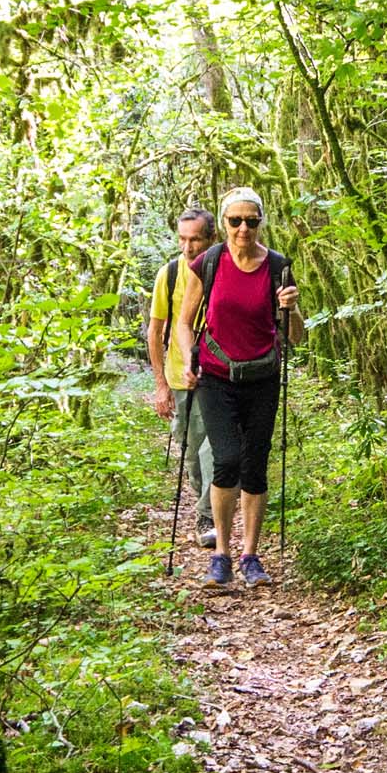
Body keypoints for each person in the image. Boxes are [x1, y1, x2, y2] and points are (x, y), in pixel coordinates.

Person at [174, 186, 305, 588]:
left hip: (262, 377)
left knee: (255, 465)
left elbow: (297, 337)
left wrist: (292, 308)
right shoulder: (208, 263)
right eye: (235, 220)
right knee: (227, 458)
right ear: (225, 222)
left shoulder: (278, 266)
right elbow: (184, 321)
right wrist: (187, 358)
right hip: (216, 376)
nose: (243, 228)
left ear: (262, 222)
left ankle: (250, 555)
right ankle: (221, 555)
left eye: (252, 220)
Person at [147, 207, 218, 547]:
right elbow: (155, 329)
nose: (188, 247)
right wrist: (161, 384)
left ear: (211, 238)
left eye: (196, 240)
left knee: (214, 447)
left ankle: (208, 513)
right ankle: (204, 499)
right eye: (183, 239)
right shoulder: (171, 273)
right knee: (191, 449)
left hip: (218, 374)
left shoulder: (223, 269)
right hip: (180, 376)